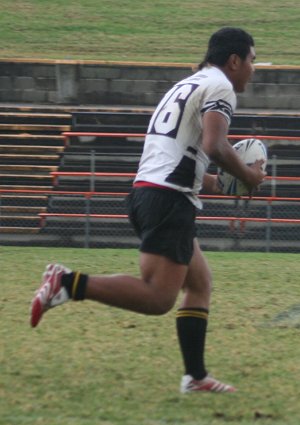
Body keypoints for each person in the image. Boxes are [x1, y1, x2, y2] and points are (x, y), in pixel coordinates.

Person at [30, 27, 266, 393]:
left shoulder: (187, 85)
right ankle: (67, 282)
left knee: (199, 284)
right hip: (167, 200)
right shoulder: (219, 86)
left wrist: (221, 183)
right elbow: (215, 146)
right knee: (158, 297)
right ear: (234, 60)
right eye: (252, 60)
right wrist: (249, 176)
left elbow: (184, 154)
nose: (254, 68)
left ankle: (196, 377)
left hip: (153, 193)